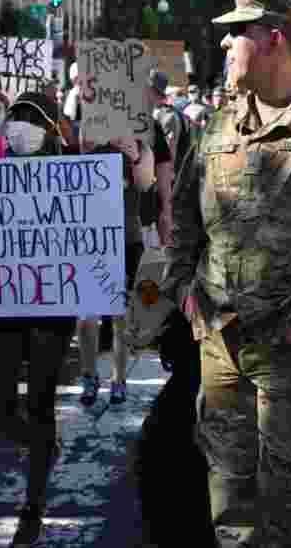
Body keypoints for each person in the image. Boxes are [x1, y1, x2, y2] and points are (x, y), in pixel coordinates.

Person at [162, 0, 291, 547]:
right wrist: (185, 291)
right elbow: (183, 218)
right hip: (221, 349)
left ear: (274, 37)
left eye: (238, 32)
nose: (227, 42)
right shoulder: (217, 127)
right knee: (229, 505)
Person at [0, 91, 74, 546]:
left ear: (52, 129)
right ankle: (43, 446)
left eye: (32, 118)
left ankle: (33, 507)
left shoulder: (76, 173)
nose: (20, 125)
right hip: (3, 305)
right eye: (15, 117)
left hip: (53, 307)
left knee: (39, 402)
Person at [76, 122, 174, 406]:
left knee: (121, 314)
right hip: (90, 235)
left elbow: (146, 183)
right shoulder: (90, 125)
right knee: (86, 318)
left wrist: (135, 154)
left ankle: (118, 379)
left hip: (127, 234)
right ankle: (89, 375)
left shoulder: (141, 131)